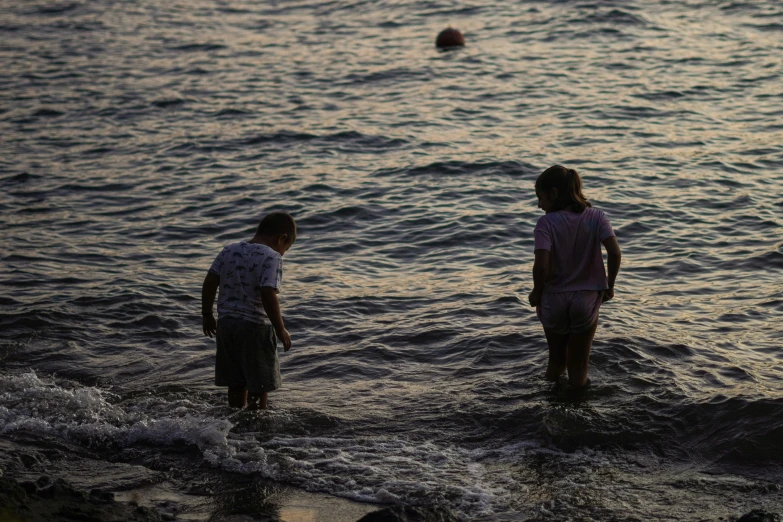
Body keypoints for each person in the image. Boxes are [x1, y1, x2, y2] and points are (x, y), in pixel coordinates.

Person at [528, 166, 621, 389]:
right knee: (578, 368)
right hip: (585, 300)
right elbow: (615, 252)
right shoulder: (597, 217)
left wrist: (537, 292)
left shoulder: (546, 224)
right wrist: (610, 285)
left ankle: (547, 412)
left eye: (540, 198)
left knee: (556, 363)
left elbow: (541, 266)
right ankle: (579, 414)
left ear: (554, 193)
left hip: (554, 301)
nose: (539, 205)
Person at [201, 212, 296, 409]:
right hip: (255, 327)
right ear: (282, 239)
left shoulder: (229, 250)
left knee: (235, 382)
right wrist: (280, 329)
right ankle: (256, 428)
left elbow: (210, 281)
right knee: (259, 384)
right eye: (286, 248)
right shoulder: (272, 257)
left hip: (226, 325)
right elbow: (267, 293)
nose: (283, 253)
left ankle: (234, 424)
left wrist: (207, 315)